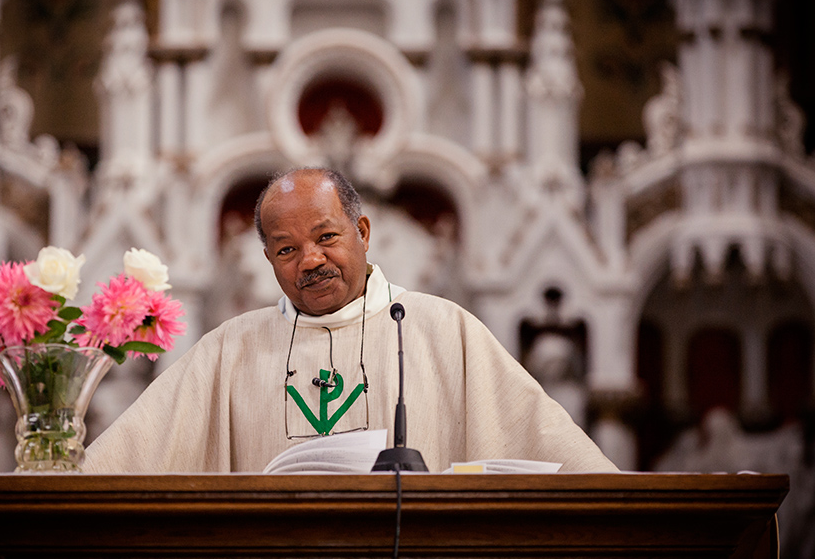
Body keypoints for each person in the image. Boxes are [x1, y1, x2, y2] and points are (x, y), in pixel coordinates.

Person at [83, 168, 618, 473]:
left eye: (326, 237)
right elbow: (119, 463)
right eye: (287, 248)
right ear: (268, 259)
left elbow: (567, 463)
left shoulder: (441, 330)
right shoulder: (229, 350)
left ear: (362, 230)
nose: (310, 260)